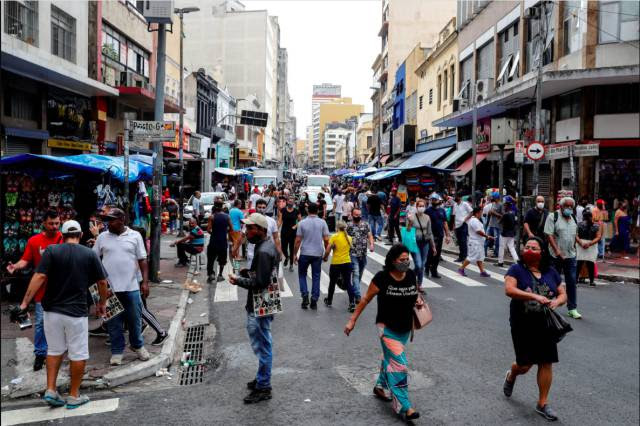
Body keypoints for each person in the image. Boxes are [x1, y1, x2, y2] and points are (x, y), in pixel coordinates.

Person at [18, 220, 108, 409]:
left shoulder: (51, 251)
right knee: (78, 353)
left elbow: (39, 276)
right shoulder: (89, 253)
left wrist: (25, 302)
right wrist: (102, 303)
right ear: (81, 235)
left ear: (63, 235)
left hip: (52, 312)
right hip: (76, 312)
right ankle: (74, 396)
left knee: (54, 350)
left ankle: (51, 390)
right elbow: (101, 281)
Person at [343, 244, 420, 422]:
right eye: (402, 260)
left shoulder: (411, 275)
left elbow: (414, 294)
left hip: (404, 328)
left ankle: (379, 386)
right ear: (393, 261)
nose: (406, 262)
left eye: (407, 259)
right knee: (399, 365)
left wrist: (419, 302)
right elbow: (365, 299)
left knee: (390, 359)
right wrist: (352, 320)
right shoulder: (382, 278)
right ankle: (404, 407)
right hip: (386, 328)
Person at [503, 236, 567, 422]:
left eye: (534, 247)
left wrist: (557, 301)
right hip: (522, 323)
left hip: (545, 323)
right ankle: (512, 374)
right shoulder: (516, 269)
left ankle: (542, 403)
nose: (529, 249)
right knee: (524, 365)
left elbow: (563, 293)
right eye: (527, 246)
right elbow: (509, 290)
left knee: (546, 362)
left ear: (542, 252)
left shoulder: (551, 271)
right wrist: (535, 297)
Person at [228, 214, 279, 404]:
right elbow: (262, 273)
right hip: (262, 303)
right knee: (262, 343)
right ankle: (261, 379)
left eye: (250, 228)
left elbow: (260, 282)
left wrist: (238, 280)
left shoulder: (264, 250)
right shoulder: (263, 246)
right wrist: (247, 272)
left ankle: (264, 386)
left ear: (260, 230)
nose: (246, 232)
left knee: (263, 346)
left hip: (261, 305)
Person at [6, 210, 62, 371]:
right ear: (44, 223)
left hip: (61, 288)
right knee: (40, 324)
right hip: (41, 289)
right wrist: (15, 266)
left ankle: (57, 352)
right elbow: (25, 260)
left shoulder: (63, 239)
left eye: (57, 223)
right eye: (51, 223)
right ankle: (40, 354)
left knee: (60, 322)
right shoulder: (34, 240)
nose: (54, 226)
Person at [94, 208, 150, 365]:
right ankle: (117, 351)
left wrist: (145, 282)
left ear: (122, 220)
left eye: (111, 220)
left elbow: (143, 260)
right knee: (113, 322)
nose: (108, 223)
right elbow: (94, 258)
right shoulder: (102, 237)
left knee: (135, 320)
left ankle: (137, 346)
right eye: (107, 220)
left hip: (131, 286)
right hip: (109, 289)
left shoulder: (135, 236)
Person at [544, 197, 581, 319]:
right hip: (555, 255)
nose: (570, 209)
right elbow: (549, 235)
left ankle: (572, 308)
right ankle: (547, 303)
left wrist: (579, 243)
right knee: (552, 281)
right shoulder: (552, 217)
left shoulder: (574, 218)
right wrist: (557, 251)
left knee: (571, 282)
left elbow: (574, 235)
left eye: (571, 207)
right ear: (561, 206)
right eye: (567, 206)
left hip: (570, 255)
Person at [294, 203, 330, 310]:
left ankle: (305, 295)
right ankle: (314, 298)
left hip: (305, 253)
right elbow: (326, 239)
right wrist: (326, 254)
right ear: (318, 211)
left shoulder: (302, 223)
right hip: (317, 253)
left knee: (302, 275)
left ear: (307, 210)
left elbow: (298, 241)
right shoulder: (322, 222)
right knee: (316, 276)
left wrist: (294, 254)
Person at [323, 221, 356, 311]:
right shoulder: (349, 238)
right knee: (348, 283)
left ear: (337, 228)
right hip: (347, 262)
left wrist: (325, 257)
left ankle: (329, 300)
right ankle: (352, 303)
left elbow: (328, 249)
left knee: (332, 282)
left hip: (336, 263)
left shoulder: (334, 237)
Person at [406, 199, 436, 292]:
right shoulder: (411, 216)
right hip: (415, 243)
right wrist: (410, 222)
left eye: (423, 206)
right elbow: (407, 231)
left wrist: (433, 246)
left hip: (425, 243)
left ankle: (419, 285)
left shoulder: (427, 217)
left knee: (422, 265)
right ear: (416, 207)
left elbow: (430, 232)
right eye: (420, 206)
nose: (421, 207)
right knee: (418, 265)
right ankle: (409, 278)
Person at [346, 208, 374, 305]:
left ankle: (355, 288)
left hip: (363, 254)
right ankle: (357, 295)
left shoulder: (365, 224)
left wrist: (371, 244)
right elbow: (344, 237)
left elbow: (369, 235)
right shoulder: (348, 225)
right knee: (356, 273)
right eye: (356, 215)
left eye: (359, 215)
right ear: (352, 214)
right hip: (352, 254)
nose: (358, 216)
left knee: (359, 274)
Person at [458, 206, 494, 277]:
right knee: (471, 257)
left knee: (480, 257)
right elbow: (478, 231)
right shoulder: (474, 220)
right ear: (477, 213)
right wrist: (487, 236)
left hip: (479, 242)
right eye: (481, 212)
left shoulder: (476, 220)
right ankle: (461, 268)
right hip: (475, 242)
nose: (481, 213)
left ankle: (482, 271)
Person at [247, 199, 282, 265]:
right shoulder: (249, 219)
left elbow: (276, 238)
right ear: (256, 207)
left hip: (266, 252)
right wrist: (235, 249)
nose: (261, 209)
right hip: (252, 252)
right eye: (259, 207)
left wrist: (279, 252)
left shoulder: (272, 221)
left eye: (263, 207)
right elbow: (243, 235)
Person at [425, 193, 451, 279]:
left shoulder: (442, 210)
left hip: (440, 235)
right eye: (432, 200)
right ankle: (426, 269)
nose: (433, 201)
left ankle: (434, 271)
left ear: (438, 201)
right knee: (431, 253)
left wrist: (447, 235)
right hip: (431, 236)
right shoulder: (428, 210)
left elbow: (445, 223)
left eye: (434, 200)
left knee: (437, 254)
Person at [206, 201, 233, 283]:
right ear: (222, 207)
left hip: (213, 241)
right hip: (223, 241)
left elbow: (208, 229)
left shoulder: (212, 217)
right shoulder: (227, 217)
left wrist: (214, 233)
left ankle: (211, 274)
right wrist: (224, 232)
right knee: (222, 259)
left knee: (211, 259)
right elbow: (231, 228)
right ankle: (220, 275)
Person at [576, 209, 601, 287]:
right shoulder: (596, 225)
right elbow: (598, 237)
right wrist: (589, 243)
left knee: (580, 263)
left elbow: (575, 235)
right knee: (589, 264)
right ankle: (591, 281)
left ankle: (576, 280)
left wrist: (582, 243)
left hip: (583, 245)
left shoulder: (579, 224)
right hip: (590, 245)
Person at [279, 197, 300, 271]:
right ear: (287, 202)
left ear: (294, 202)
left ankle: (291, 265)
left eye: (292, 201)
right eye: (289, 201)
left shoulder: (296, 211)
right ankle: (287, 257)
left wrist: (295, 226)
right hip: (284, 231)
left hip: (293, 232)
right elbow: (280, 221)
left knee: (291, 249)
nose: (290, 202)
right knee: (283, 248)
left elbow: (300, 221)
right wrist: (276, 229)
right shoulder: (283, 210)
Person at [498, 197, 519, 267]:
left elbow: (499, 222)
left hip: (504, 233)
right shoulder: (513, 214)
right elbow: (516, 223)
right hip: (512, 233)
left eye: (505, 206)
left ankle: (500, 262)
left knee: (501, 247)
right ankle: (517, 261)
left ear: (507, 206)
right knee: (512, 248)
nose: (504, 207)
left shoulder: (505, 214)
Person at [453, 194, 473, 262]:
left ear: (460, 197)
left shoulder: (465, 204)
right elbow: (454, 215)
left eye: (457, 196)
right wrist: (454, 225)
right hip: (457, 225)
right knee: (459, 242)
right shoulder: (455, 205)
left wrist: (465, 220)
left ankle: (464, 257)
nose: (455, 198)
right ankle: (461, 257)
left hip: (464, 224)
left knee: (463, 241)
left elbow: (471, 212)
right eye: (455, 196)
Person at [486, 192, 503, 257]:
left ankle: (496, 253)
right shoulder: (493, 204)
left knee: (496, 240)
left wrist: (495, 213)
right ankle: (484, 252)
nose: (492, 198)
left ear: (496, 198)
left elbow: (503, 216)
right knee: (487, 237)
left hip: (497, 225)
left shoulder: (501, 205)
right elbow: (490, 212)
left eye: (493, 197)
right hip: (491, 224)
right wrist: (490, 212)